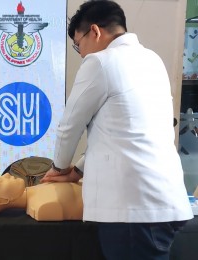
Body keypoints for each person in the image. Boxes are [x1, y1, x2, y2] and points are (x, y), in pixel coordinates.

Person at [41, 1, 193, 259]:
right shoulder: (151, 60)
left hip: (133, 209)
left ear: (95, 32)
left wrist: (59, 167)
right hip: (165, 200)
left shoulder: (100, 62)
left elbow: (69, 126)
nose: (80, 53)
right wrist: (77, 170)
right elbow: (124, 133)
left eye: (78, 44)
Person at [0, 174, 83, 221]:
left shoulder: (36, 189)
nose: (7, 174)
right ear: (2, 201)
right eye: (0, 181)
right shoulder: (41, 207)